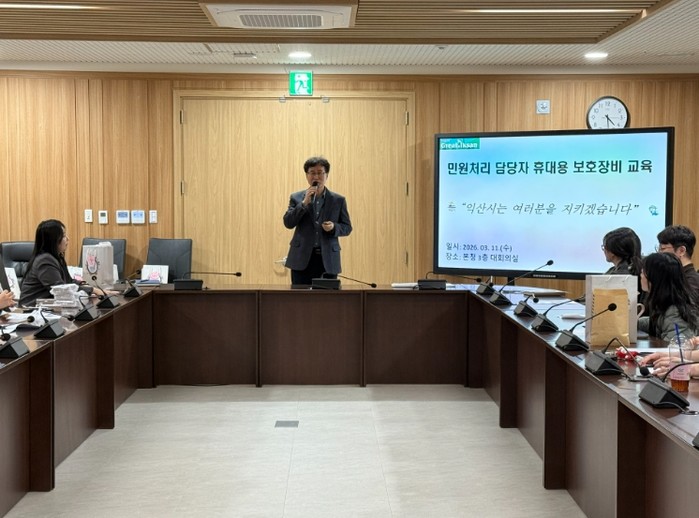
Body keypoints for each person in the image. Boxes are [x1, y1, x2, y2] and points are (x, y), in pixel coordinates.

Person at [283, 156, 352, 286]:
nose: (316, 177)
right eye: (312, 173)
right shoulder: (296, 198)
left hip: (328, 259)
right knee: (299, 297)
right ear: (307, 175)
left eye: (320, 173)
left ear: (327, 175)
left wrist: (334, 227)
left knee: (328, 298)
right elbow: (288, 223)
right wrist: (303, 204)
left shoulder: (338, 200)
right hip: (301, 258)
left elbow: (347, 227)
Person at [19, 219, 105, 307]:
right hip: (32, 310)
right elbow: (61, 289)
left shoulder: (57, 257)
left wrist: (86, 285)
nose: (67, 239)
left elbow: (69, 281)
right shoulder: (44, 261)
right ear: (53, 239)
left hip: (49, 308)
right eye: (63, 236)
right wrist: (93, 290)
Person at [636, 252, 699, 343]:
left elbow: (679, 346)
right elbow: (661, 322)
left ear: (655, 278)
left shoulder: (674, 311)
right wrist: (635, 322)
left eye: (643, 272)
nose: (641, 276)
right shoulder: (669, 302)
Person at [656, 224, 699, 297]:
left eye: (662, 249)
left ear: (681, 251)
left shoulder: (691, 283)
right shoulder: (675, 277)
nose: (659, 253)